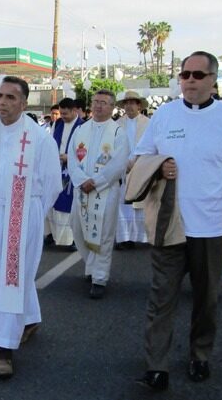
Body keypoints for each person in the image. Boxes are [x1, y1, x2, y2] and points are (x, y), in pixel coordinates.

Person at [134, 51, 222, 390]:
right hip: (169, 224)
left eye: (197, 75)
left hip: (212, 228)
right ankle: (156, 365)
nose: (189, 80)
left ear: (213, 80)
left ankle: (199, 355)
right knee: (161, 298)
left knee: (206, 300)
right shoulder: (164, 115)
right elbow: (139, 158)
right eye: (184, 74)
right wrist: (159, 165)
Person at [0, 76, 62, 379]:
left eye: (11, 97)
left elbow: (53, 184)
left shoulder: (39, 138)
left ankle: (3, 348)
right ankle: (29, 318)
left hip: (25, 215)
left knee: (10, 278)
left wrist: (30, 212)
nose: (3, 102)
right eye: (0, 95)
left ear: (24, 103)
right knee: (7, 272)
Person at [69, 90, 129, 299]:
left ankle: (99, 277)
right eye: (95, 102)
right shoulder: (80, 130)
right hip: (82, 190)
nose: (98, 106)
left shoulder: (117, 132)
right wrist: (81, 180)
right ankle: (90, 266)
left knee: (102, 234)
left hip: (104, 190)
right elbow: (71, 159)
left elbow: (119, 162)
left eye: (104, 103)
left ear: (112, 107)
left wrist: (96, 182)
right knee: (77, 227)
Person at [46, 97, 84, 249]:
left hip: (73, 168)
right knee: (54, 199)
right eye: (61, 113)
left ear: (75, 111)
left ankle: (70, 239)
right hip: (57, 166)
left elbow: (85, 149)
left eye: (66, 113)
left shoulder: (83, 127)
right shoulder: (58, 123)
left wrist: (70, 157)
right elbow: (52, 142)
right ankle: (54, 235)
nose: (63, 116)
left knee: (69, 203)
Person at [116, 90, 151, 249]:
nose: (129, 106)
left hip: (142, 167)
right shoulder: (117, 124)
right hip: (124, 170)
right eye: (127, 103)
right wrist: (124, 162)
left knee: (142, 204)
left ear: (139, 105)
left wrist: (137, 161)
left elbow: (152, 146)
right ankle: (125, 238)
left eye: (132, 103)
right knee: (123, 206)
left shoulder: (148, 124)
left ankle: (145, 236)